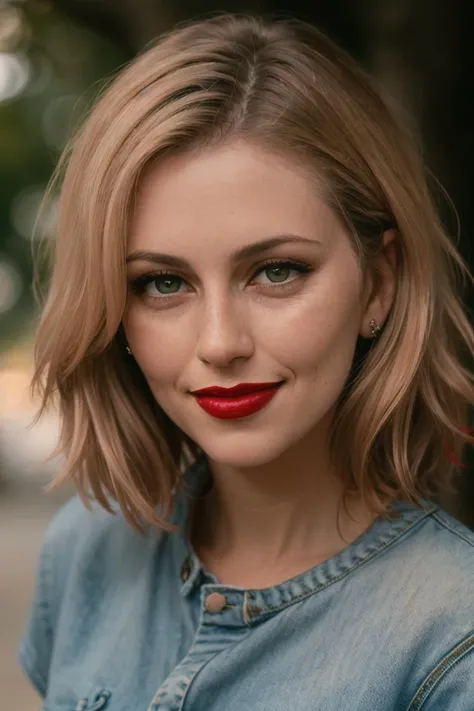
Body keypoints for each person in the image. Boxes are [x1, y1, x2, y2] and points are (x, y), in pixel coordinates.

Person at [19, 12, 474, 710]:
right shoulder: (85, 551)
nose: (221, 341)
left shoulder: (450, 634)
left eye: (277, 271)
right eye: (163, 283)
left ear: (378, 282)